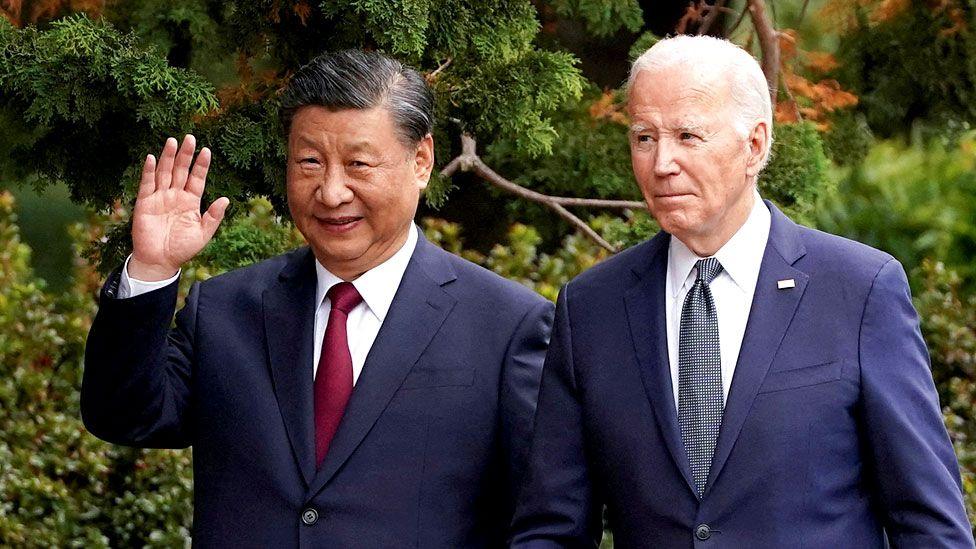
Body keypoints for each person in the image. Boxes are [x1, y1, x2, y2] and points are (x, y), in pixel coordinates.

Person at [510, 35, 973, 548]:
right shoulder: (592, 308)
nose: (661, 162)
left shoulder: (858, 291)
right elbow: (551, 528)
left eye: (687, 136)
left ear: (754, 145)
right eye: (644, 137)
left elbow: (930, 524)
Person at [81, 49, 553, 547]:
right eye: (310, 162)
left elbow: (545, 518)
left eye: (358, 164)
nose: (331, 192)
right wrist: (153, 270)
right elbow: (124, 415)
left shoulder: (506, 326)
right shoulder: (226, 310)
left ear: (421, 161)